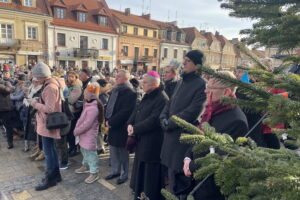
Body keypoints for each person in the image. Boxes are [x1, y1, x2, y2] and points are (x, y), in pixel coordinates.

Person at [183, 71, 249, 200]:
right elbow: (198, 136)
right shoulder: (211, 110)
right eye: (207, 86)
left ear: (226, 92)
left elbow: (220, 157)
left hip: (213, 187)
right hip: (198, 178)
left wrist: (191, 166)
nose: (206, 91)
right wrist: (187, 157)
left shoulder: (236, 120)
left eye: (211, 88)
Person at [160, 50, 206, 198]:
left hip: (181, 138)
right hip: (170, 135)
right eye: (184, 59)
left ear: (197, 65)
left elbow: (192, 112)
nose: (184, 62)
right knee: (171, 177)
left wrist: (171, 122)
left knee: (180, 181)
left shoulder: (200, 85)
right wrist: (163, 117)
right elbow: (170, 103)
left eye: (188, 60)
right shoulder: (181, 81)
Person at [128, 71, 168, 200]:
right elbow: (137, 110)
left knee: (150, 175)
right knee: (141, 171)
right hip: (142, 141)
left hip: (152, 143)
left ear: (154, 84)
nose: (141, 84)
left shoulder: (162, 98)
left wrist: (135, 128)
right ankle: (140, 194)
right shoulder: (148, 94)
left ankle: (149, 195)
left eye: (145, 82)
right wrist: (130, 123)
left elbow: (154, 120)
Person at [30, 62, 65, 191]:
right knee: (51, 151)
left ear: (41, 76)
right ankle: (55, 176)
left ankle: (50, 179)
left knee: (49, 152)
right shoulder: (49, 84)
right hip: (47, 123)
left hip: (47, 123)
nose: (35, 78)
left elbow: (49, 108)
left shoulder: (50, 87)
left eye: (36, 76)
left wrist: (34, 103)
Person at [104, 70, 137, 185]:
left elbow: (125, 112)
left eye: (119, 76)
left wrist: (111, 122)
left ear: (126, 79)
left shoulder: (130, 92)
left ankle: (124, 174)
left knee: (123, 152)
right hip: (112, 125)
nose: (116, 78)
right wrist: (107, 119)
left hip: (122, 127)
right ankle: (115, 171)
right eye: (116, 76)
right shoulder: (115, 89)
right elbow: (109, 106)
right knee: (113, 150)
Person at [74, 82, 104, 184]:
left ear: (91, 95)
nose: (84, 95)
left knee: (91, 153)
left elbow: (87, 124)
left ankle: (94, 172)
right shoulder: (88, 104)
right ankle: (85, 165)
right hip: (84, 133)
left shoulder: (93, 108)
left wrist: (77, 130)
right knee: (84, 150)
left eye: (86, 93)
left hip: (88, 134)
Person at [65, 71, 83, 157]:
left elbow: (71, 100)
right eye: (69, 76)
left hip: (74, 113)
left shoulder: (77, 87)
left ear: (76, 78)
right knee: (68, 132)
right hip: (67, 111)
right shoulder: (67, 86)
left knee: (72, 132)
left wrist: (64, 97)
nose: (70, 78)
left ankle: (74, 148)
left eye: (72, 76)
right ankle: (71, 147)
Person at [0, 71, 14, 149]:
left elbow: (9, 90)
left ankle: (10, 143)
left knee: (8, 127)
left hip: (5, 109)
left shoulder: (6, 83)